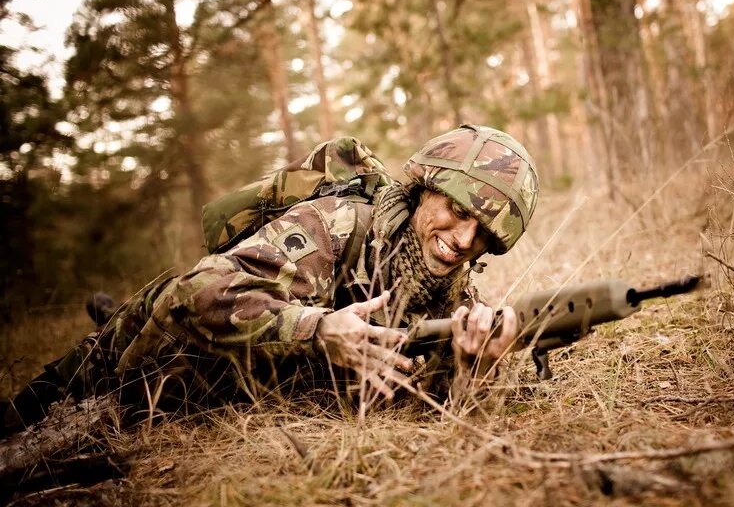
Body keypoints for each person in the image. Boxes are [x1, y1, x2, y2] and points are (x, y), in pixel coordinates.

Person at [1, 124, 539, 434]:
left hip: (220, 404)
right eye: (456, 210)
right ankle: (110, 315)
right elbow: (195, 293)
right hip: (140, 364)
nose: (464, 239)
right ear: (425, 189)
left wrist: (474, 368)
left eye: (484, 233)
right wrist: (317, 330)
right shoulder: (335, 225)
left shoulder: (453, 296)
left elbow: (421, 409)